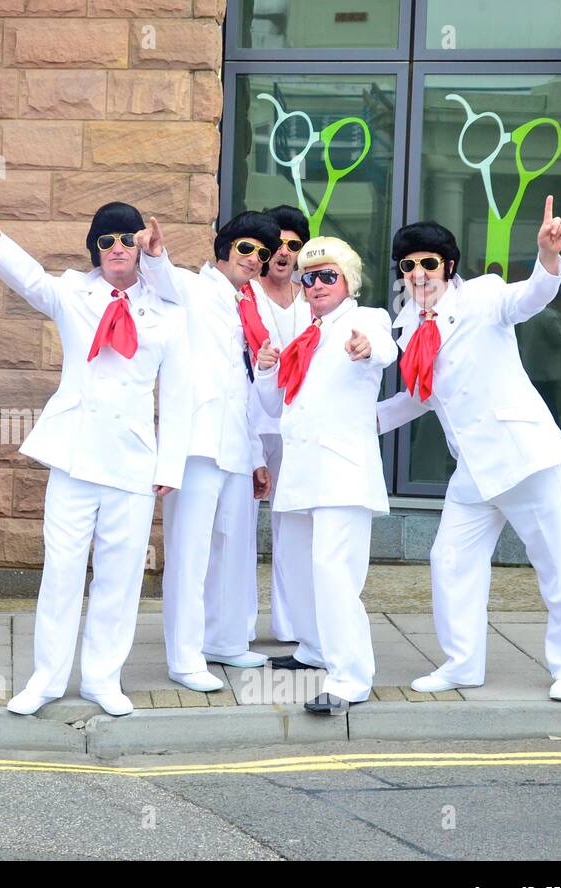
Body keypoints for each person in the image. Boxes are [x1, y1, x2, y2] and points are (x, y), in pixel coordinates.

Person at [0, 194, 189, 717]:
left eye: (126, 239)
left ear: (141, 246)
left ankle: (102, 678)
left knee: (120, 576)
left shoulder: (167, 312)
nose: (116, 248)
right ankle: (46, 679)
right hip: (73, 457)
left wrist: (171, 464)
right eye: (105, 240)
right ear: (94, 249)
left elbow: (179, 394)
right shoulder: (74, 292)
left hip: (133, 462)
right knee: (63, 570)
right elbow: (30, 280)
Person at [376, 199, 561, 702]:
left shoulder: (483, 295)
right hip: (472, 468)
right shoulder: (408, 326)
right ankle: (462, 664)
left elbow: (531, 299)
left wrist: (547, 258)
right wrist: (363, 421)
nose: (418, 273)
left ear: (448, 267)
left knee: (557, 563)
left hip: (523, 455)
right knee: (449, 559)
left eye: (428, 263)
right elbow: (419, 397)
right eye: (408, 266)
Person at [254, 236, 397, 715]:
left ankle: (351, 677)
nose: (315, 285)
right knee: (298, 569)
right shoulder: (304, 338)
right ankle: (315, 649)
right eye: (307, 277)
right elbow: (275, 406)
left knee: (335, 576)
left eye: (327, 275)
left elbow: (385, 347)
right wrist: (266, 370)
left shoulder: (363, 319)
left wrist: (367, 347)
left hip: (341, 475)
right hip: (301, 476)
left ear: (348, 281)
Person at [139, 212, 278, 693]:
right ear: (223, 251)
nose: (255, 260)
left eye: (262, 254)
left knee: (235, 551)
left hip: (238, 446)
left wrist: (258, 454)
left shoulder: (252, 304)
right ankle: (184, 656)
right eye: (246, 249)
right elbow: (161, 274)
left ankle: (224, 640)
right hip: (197, 445)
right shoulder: (194, 289)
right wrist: (154, 252)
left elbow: (246, 385)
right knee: (189, 554)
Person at [253, 204, 313, 644]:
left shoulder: (314, 297)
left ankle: (291, 626)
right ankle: (230, 627)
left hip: (295, 422)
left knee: (291, 523)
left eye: (294, 244)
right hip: (250, 421)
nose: (284, 252)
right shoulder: (243, 294)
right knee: (235, 528)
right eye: (276, 244)